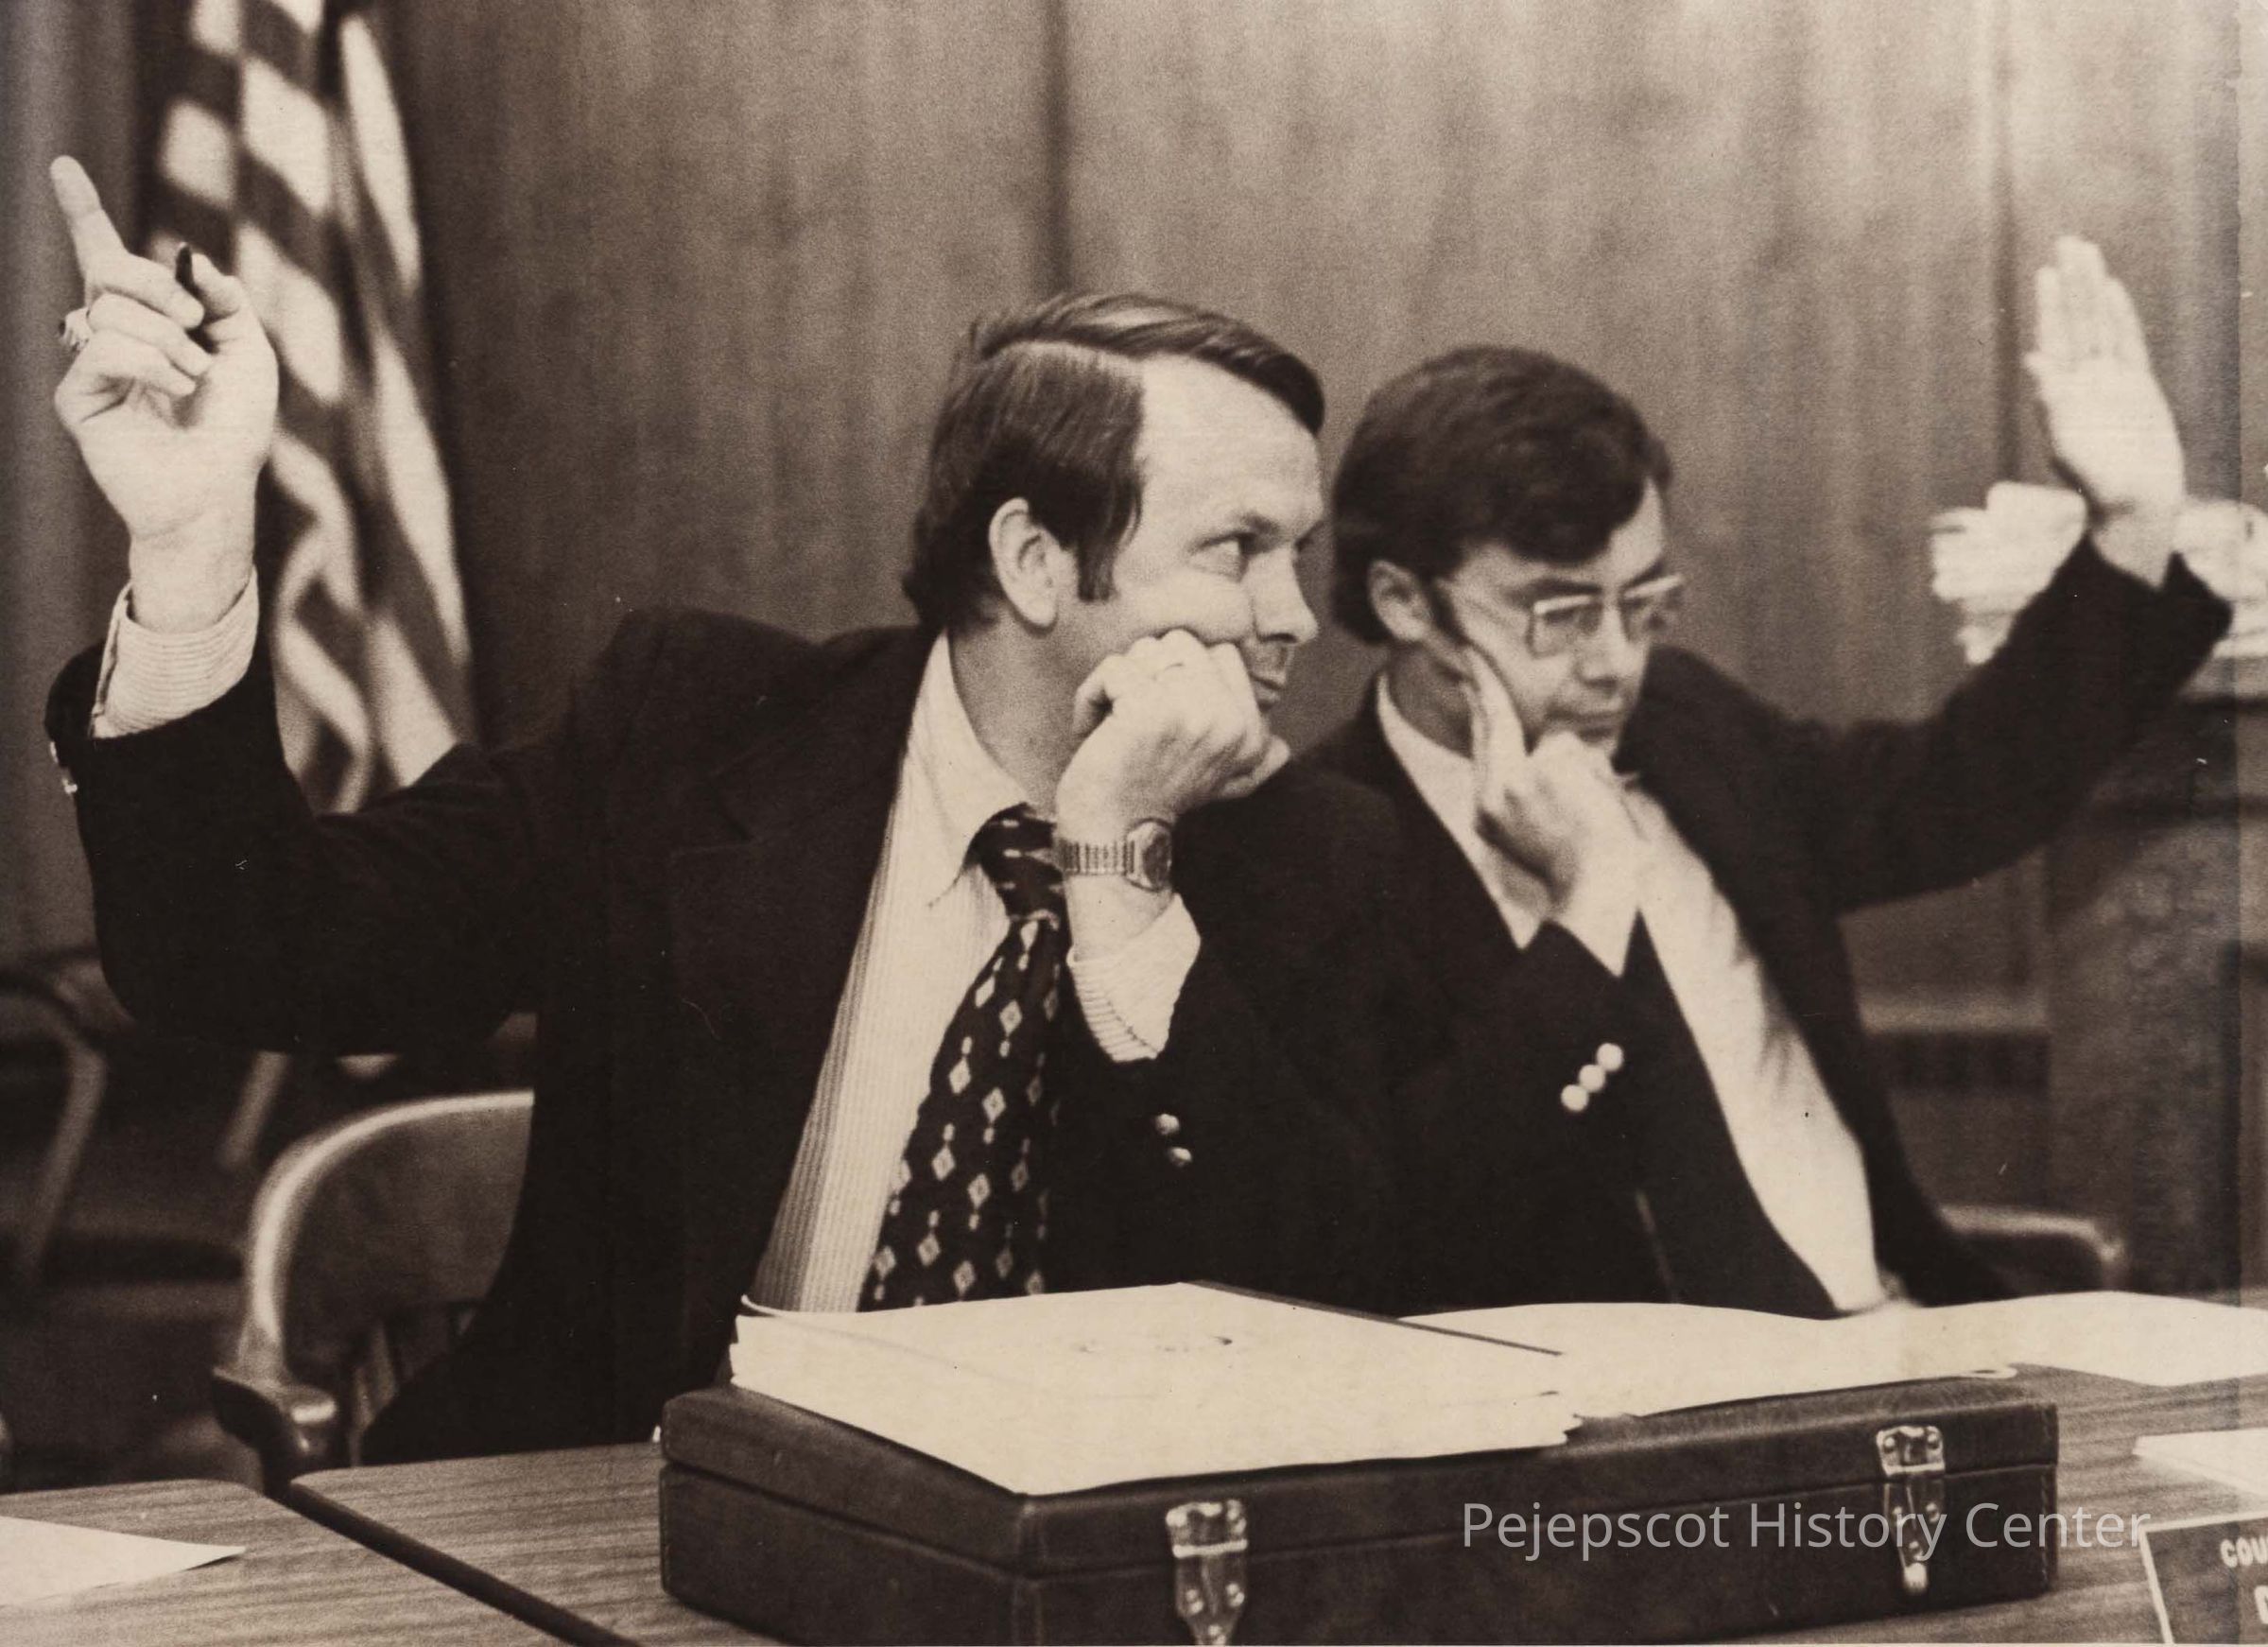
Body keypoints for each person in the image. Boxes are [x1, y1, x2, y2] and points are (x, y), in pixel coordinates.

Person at [38, 157, 1418, 1461]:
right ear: (1035, 560)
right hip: (616, 1522)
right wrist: (190, 539)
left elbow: (1339, 1325)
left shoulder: (1313, 852)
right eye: (1237, 550)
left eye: (1295, 554)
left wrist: (1120, 885)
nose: (1292, 617)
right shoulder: (690, 734)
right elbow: (241, 948)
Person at [1304, 238, 2233, 1317]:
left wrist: (2131, 523)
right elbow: (1417, 1222)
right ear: (1403, 601)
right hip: (1622, 1402)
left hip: (1895, 1330)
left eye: (1642, 602)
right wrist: (1586, 908)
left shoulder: (1683, 721)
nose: (1614, 662)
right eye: (1557, 615)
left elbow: (1951, 796)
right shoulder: (1320, 850)